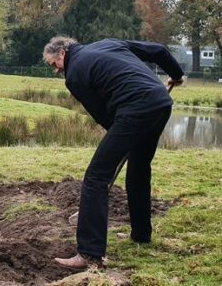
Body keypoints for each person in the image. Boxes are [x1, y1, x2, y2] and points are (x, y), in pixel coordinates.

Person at [43, 37, 184, 269]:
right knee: (139, 169)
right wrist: (176, 75)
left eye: (53, 65)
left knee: (96, 176)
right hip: (160, 101)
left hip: (135, 108)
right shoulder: (109, 43)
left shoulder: (74, 74)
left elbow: (102, 114)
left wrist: (121, 136)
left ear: (62, 53)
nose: (56, 70)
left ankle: (89, 254)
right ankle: (141, 235)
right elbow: (158, 50)